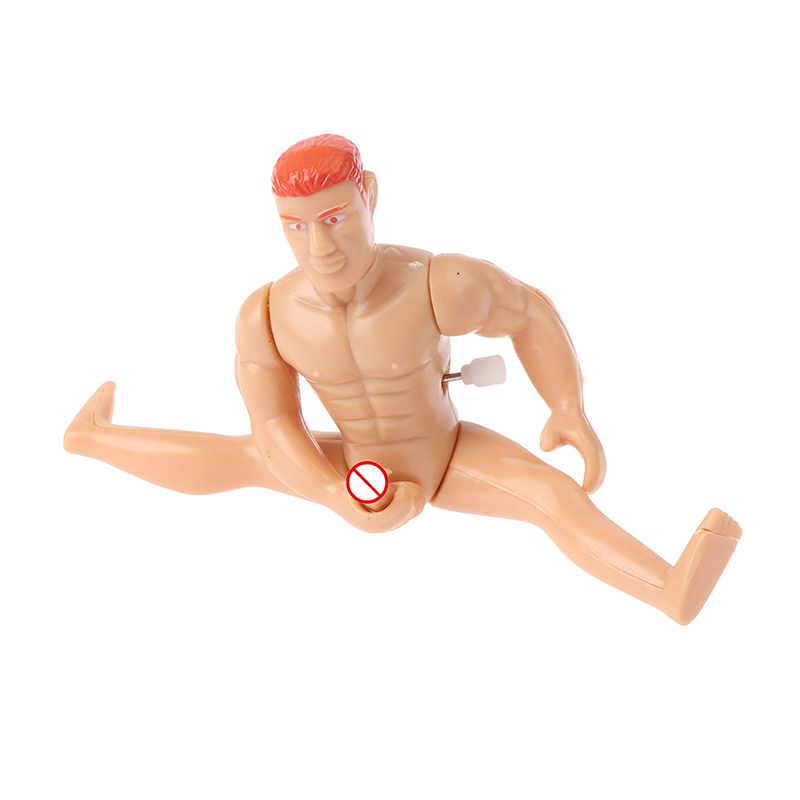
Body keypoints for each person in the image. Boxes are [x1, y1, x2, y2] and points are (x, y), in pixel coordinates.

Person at [64, 134, 741, 624]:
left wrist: (568, 406)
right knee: (245, 458)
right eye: (295, 227)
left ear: (370, 194)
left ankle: (669, 588)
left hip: (446, 455)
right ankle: (90, 436)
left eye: (334, 219)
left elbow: (529, 311)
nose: (319, 247)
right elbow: (272, 425)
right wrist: (333, 493)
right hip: (353, 463)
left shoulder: (438, 283)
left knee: (550, 494)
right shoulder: (266, 314)